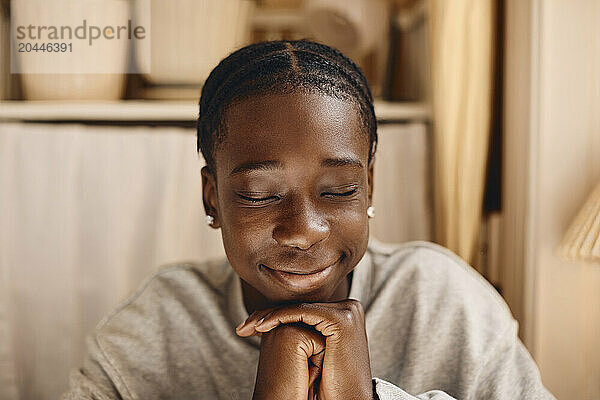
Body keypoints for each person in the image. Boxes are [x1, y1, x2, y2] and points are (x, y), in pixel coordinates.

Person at [61, 39, 555, 400]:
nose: (302, 230)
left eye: (339, 191)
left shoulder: (442, 300)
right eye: (259, 194)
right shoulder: (156, 328)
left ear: (369, 186)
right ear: (212, 198)